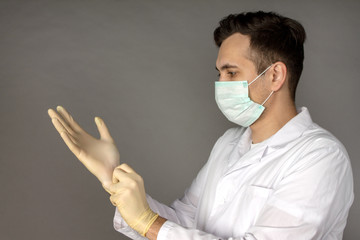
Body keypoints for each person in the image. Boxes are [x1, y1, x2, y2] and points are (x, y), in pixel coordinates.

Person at [48, 11, 354, 240]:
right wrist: (111, 177)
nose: (220, 84)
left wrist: (148, 223)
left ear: (275, 76)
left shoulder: (320, 157)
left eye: (231, 73)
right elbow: (185, 220)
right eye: (219, 74)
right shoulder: (228, 143)